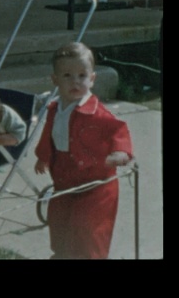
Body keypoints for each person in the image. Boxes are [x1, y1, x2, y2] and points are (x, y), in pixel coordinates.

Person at [34, 42, 133, 259]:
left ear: (92, 78)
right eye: (67, 75)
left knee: (88, 228)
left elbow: (118, 130)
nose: (75, 81)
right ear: (55, 80)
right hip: (64, 178)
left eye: (81, 75)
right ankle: (62, 253)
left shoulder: (97, 113)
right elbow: (49, 134)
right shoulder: (54, 108)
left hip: (95, 182)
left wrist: (120, 152)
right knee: (59, 218)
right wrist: (43, 157)